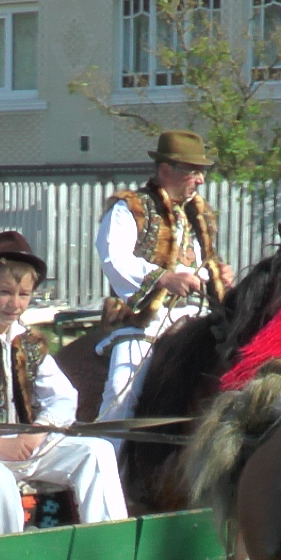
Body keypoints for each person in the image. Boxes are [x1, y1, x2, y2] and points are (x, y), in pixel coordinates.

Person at [0, 232, 126, 535]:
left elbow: (63, 397)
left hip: (28, 445)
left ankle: (107, 547)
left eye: (24, 295)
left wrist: (36, 434)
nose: (15, 304)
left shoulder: (29, 342)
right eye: (5, 292)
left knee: (97, 451)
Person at [93, 129, 233, 421]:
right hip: (144, 321)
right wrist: (163, 278)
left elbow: (202, 260)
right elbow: (113, 257)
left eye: (202, 172)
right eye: (194, 171)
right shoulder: (130, 207)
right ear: (166, 170)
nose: (201, 179)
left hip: (199, 317)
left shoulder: (199, 214)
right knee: (122, 395)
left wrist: (219, 274)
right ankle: (108, 459)